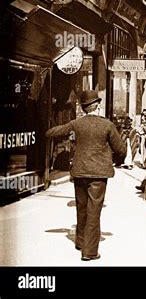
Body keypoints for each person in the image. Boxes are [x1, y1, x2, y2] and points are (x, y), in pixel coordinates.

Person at [45, 90, 126, 261]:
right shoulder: (107, 125)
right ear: (97, 106)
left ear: (83, 108)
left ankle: (80, 242)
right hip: (98, 173)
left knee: (81, 209)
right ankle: (89, 251)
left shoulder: (76, 124)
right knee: (93, 211)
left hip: (80, 171)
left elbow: (52, 133)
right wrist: (116, 160)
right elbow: (121, 149)